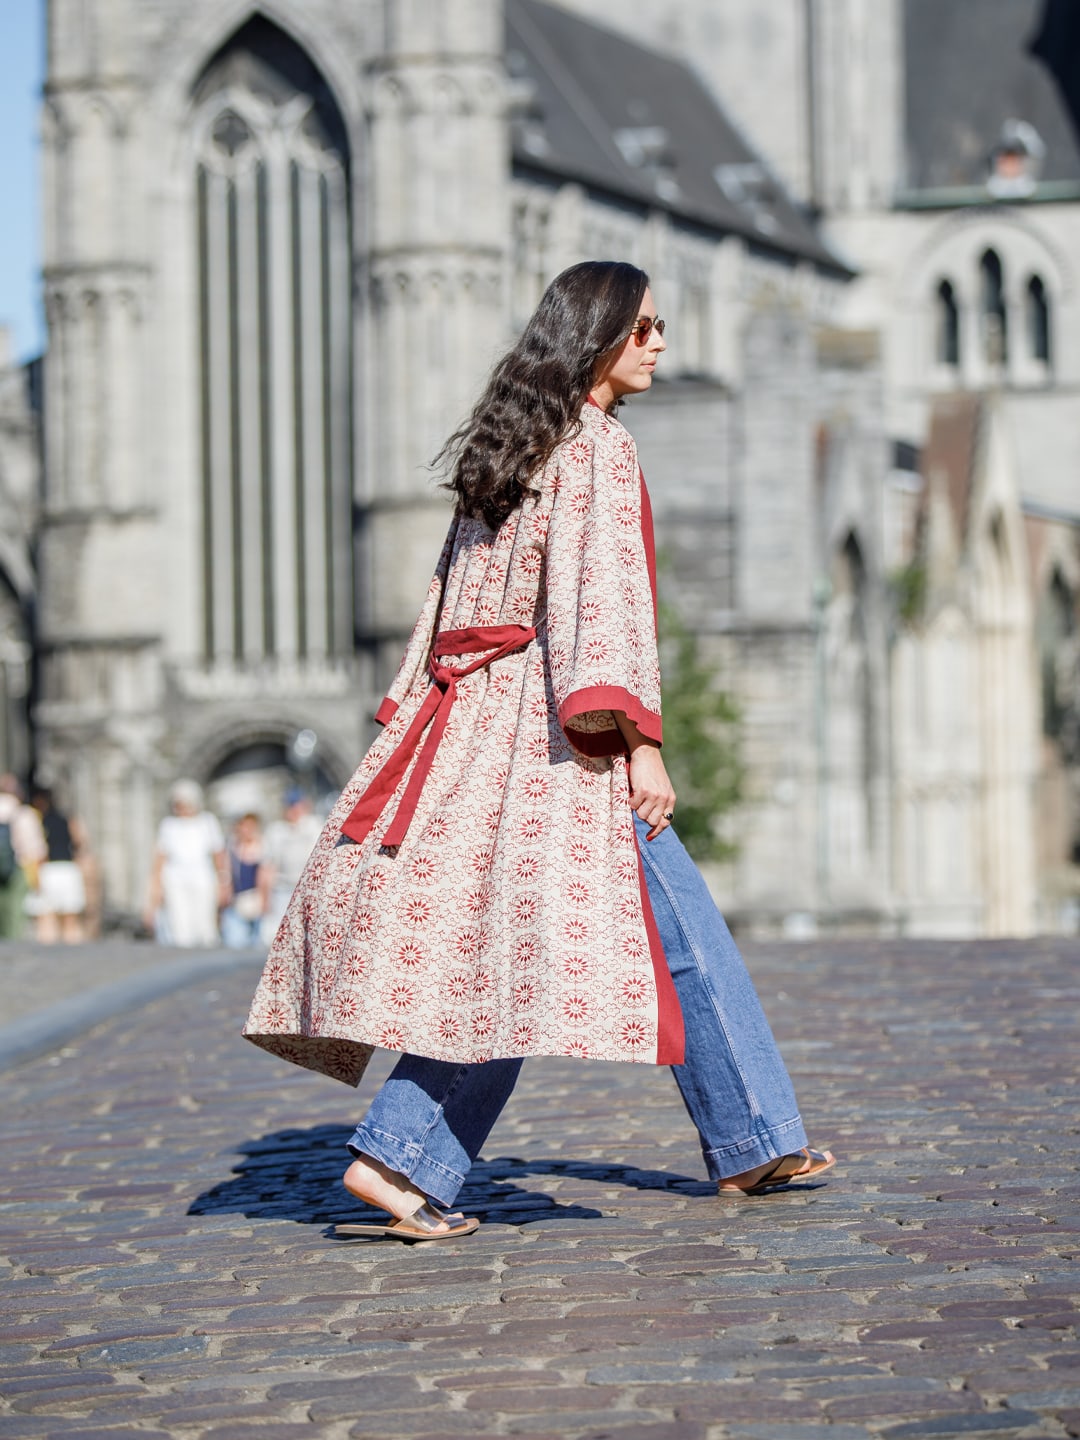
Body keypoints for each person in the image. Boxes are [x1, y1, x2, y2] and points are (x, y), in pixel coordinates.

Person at [245, 261, 835, 1241]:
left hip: (469, 727)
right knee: (517, 954)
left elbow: (444, 610)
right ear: (594, 334)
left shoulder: (510, 446)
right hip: (555, 739)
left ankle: (753, 1138)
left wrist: (408, 720)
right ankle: (402, 1157)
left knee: (647, 929)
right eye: (641, 327)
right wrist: (635, 743)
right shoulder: (597, 446)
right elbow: (596, 609)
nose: (658, 344)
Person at [145, 779, 228, 947]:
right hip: (176, 880)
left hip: (202, 878)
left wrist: (223, 882)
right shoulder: (168, 825)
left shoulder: (207, 822)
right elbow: (160, 858)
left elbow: (218, 854)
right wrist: (156, 887)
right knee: (179, 924)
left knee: (204, 922)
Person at [27, 786, 87, 944]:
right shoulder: (68, 818)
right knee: (71, 919)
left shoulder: (39, 820)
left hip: (49, 869)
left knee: (47, 918)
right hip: (68, 868)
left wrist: (36, 877)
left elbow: (38, 850)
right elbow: (80, 842)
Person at [260, 788, 321, 942]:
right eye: (290, 806)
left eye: (296, 805)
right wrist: (265, 897)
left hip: (309, 889)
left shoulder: (315, 825)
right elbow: (268, 866)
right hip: (283, 890)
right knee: (281, 936)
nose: (293, 810)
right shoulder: (276, 831)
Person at [0, 774, 47, 940]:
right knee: (15, 910)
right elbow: (35, 847)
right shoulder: (23, 813)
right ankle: (11, 942)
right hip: (18, 866)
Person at [220, 812, 271, 949]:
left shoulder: (262, 847)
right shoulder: (232, 847)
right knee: (235, 942)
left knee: (258, 943)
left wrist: (265, 900)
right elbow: (227, 873)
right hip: (238, 901)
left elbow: (265, 877)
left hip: (255, 899)